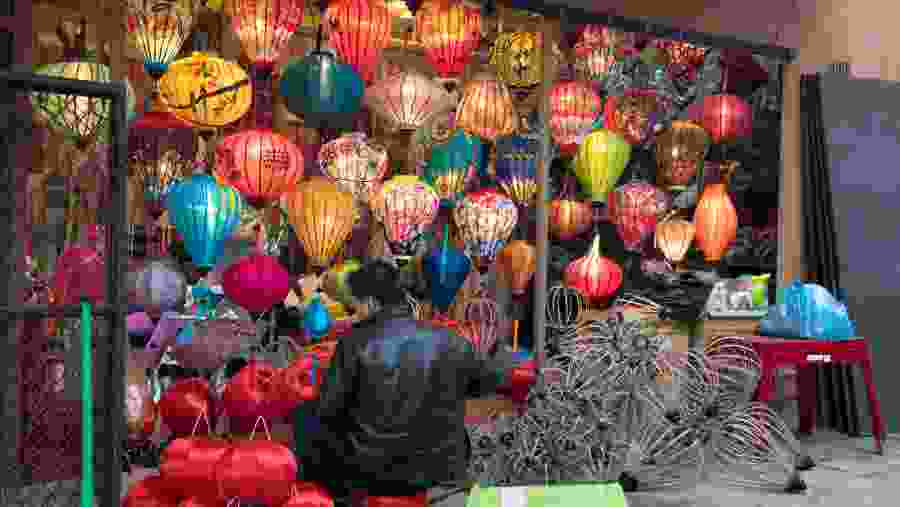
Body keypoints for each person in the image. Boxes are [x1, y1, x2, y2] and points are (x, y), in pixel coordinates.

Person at [294, 258, 516, 506]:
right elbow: (493, 378)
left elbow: (329, 409)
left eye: (356, 307)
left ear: (370, 302)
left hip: (369, 474)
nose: (356, 314)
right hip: (441, 473)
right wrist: (497, 350)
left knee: (306, 419)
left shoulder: (355, 343)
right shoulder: (449, 340)